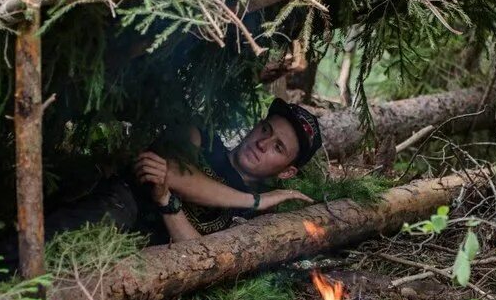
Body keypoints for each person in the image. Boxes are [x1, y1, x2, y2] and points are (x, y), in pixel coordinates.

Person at [43, 98, 323, 244]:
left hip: (148, 264)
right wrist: (256, 200)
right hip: (116, 210)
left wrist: (168, 204)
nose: (262, 143)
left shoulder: (254, 221)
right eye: (265, 130)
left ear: (287, 172)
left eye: (278, 148)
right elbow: (168, 172)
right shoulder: (202, 136)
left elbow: (202, 256)